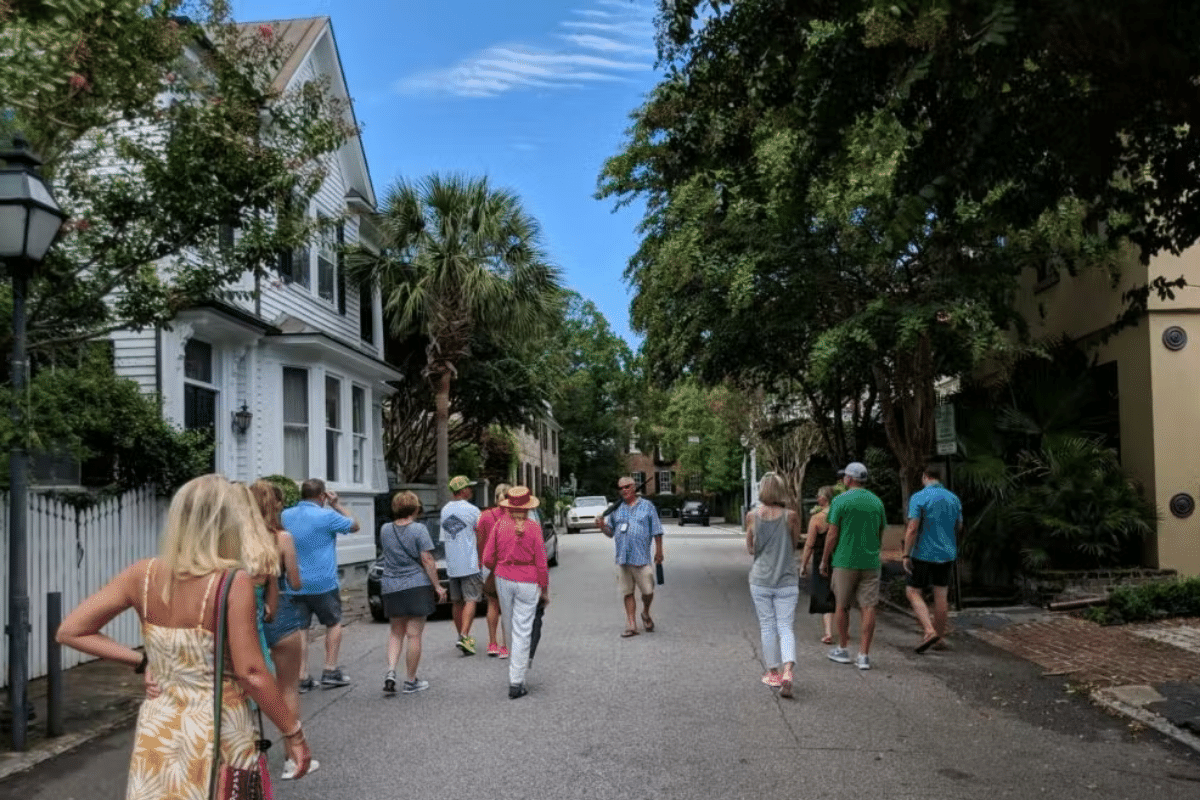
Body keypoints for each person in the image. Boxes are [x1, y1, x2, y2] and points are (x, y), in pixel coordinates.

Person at [56, 474, 314, 797]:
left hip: (159, 729)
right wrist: (292, 732)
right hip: (219, 731)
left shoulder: (142, 574)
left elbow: (71, 631)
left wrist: (142, 660)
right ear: (228, 525)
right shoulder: (233, 583)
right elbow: (251, 673)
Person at [250, 479, 311, 779]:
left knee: (249, 684)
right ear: (275, 505)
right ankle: (292, 757)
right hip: (283, 610)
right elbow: (296, 581)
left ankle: (246, 758)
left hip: (247, 614)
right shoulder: (282, 537)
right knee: (288, 686)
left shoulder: (237, 539)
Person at [282, 478, 360, 691]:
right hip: (324, 582)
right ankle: (330, 669)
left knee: (301, 629)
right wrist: (337, 505)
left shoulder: (285, 515)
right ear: (322, 496)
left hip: (294, 582)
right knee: (333, 623)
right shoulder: (327, 516)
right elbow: (354, 525)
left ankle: (302, 676)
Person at [481, 485, 550, 699]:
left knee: (510, 625)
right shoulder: (534, 527)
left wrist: (495, 569)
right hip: (528, 580)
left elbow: (487, 559)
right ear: (528, 507)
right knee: (523, 629)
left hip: (504, 577)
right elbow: (541, 562)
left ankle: (515, 670)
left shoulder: (499, 525)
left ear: (509, 506)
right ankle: (516, 680)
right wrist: (544, 589)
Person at [819, 461, 886, 670]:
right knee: (869, 606)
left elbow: (832, 533)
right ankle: (864, 655)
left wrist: (824, 559)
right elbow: (880, 531)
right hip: (870, 561)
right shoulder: (877, 502)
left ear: (849, 479)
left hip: (845, 560)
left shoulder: (840, 501)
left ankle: (843, 648)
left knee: (842, 605)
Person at [379, 490, 447, 694]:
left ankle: (391, 671)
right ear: (416, 508)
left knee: (395, 633)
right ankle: (411, 680)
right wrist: (437, 586)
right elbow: (427, 559)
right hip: (416, 585)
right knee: (414, 635)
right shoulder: (419, 529)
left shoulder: (385, 529)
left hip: (391, 585)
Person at [745, 473, 802, 697]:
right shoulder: (792, 516)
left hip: (760, 579)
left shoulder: (752, 516)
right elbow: (794, 544)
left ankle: (773, 673)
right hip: (786, 578)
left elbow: (750, 548)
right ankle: (789, 670)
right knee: (785, 626)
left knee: (767, 626)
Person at [903, 467, 963, 653]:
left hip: (923, 553)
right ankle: (939, 636)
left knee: (913, 591)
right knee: (941, 595)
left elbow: (913, 527)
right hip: (947, 553)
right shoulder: (953, 498)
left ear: (924, 477)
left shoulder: (919, 497)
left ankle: (929, 630)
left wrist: (906, 553)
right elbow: (959, 526)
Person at [597, 476, 665, 637]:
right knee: (627, 592)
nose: (624, 490)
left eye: (627, 486)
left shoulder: (647, 506)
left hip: (641, 559)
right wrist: (602, 526)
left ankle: (646, 613)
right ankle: (631, 625)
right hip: (623, 559)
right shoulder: (616, 509)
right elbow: (610, 532)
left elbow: (657, 530)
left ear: (634, 488)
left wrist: (659, 551)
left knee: (648, 591)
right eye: (621, 488)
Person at [442, 474, 483, 655]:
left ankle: (462, 637)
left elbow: (444, 537)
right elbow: (481, 534)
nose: (471, 490)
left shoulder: (445, 510)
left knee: (456, 602)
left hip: (452, 563)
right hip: (470, 561)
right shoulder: (473, 510)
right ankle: (465, 635)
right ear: (463, 490)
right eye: (469, 487)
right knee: (471, 599)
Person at [476, 482, 512, 658]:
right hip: (509, 567)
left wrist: (480, 563)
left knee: (492, 604)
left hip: (489, 566)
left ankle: (492, 643)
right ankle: (506, 646)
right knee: (507, 608)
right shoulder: (514, 517)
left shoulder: (484, 516)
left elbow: (479, 542)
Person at [799, 486, 837, 644]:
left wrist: (803, 564)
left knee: (824, 592)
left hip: (821, 557)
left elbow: (809, 544)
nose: (816, 498)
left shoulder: (816, 518)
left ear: (824, 498)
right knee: (839, 593)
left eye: (819, 495)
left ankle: (828, 632)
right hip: (839, 556)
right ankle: (844, 630)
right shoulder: (839, 515)